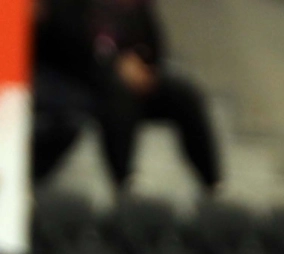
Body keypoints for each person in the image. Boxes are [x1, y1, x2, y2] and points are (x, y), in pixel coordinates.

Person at [32, 0, 222, 193]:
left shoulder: (135, 8)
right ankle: (124, 182)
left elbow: (154, 47)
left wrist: (142, 67)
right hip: (83, 81)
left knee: (185, 95)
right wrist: (115, 65)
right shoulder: (70, 6)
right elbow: (66, 45)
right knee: (118, 94)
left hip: (133, 80)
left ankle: (213, 185)